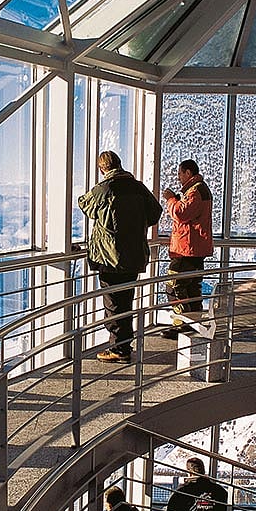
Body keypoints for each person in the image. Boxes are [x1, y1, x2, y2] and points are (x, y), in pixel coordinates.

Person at [78, 151, 162, 363]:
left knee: (113, 304)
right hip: (133, 256)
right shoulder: (138, 187)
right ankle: (123, 345)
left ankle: (119, 349)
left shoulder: (104, 189)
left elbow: (84, 204)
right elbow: (155, 212)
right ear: (120, 164)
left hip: (109, 258)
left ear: (101, 169)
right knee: (126, 300)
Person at [160, 159, 214, 339]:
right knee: (192, 287)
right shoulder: (200, 189)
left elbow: (180, 213)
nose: (178, 178)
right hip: (195, 248)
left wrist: (170, 199)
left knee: (174, 286)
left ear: (188, 173)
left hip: (187, 248)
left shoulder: (195, 191)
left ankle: (182, 324)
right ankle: (194, 323)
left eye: (180, 174)